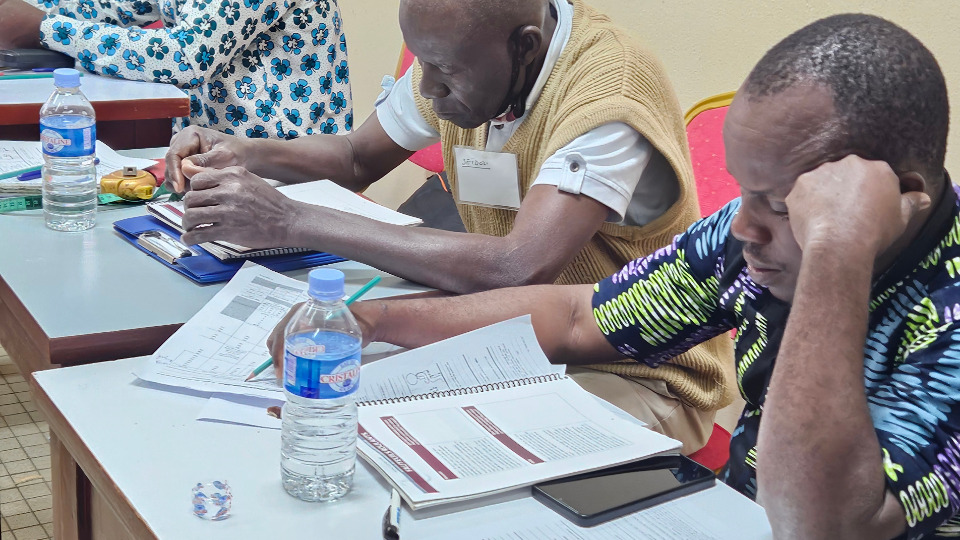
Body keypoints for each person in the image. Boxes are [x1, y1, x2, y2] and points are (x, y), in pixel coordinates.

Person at [268, 13, 960, 539]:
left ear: (893, 196)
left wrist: (837, 252)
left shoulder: (945, 309)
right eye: (746, 194)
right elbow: (578, 318)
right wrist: (376, 322)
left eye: (783, 206)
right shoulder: (750, 234)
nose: (744, 228)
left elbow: (819, 523)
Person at [165, 0, 735, 452]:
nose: (429, 90)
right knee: (335, 395)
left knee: (416, 443)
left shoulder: (608, 95)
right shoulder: (463, 55)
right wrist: (244, 151)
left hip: (638, 371)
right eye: (421, 62)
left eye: (444, 71)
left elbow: (519, 264)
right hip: (517, 333)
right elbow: (358, 157)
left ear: (524, 47)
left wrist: (291, 218)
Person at [0, 0, 353, 138]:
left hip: (287, 163)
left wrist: (44, 28)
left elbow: (184, 56)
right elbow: (112, 7)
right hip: (210, 152)